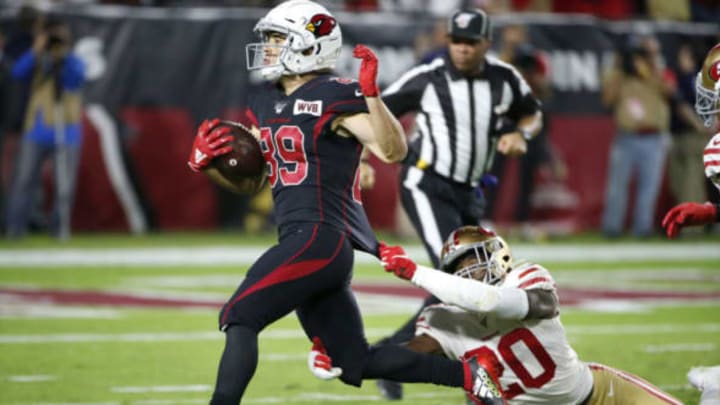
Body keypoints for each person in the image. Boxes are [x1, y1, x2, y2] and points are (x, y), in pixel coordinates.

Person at [186, 2, 504, 404]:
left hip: (318, 238)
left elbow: (392, 150)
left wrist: (372, 96)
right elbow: (255, 181)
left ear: (307, 45)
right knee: (354, 359)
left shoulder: (336, 96)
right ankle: (472, 375)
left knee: (240, 315)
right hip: (311, 243)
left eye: (278, 39)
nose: (268, 48)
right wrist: (208, 166)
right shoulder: (266, 102)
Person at [375, 8, 543, 399]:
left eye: (470, 42)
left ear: (487, 43)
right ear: (446, 41)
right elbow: (378, 112)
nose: (463, 50)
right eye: (456, 41)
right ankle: (451, 368)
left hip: (469, 191)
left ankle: (395, 356)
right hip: (427, 183)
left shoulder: (504, 78)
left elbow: (532, 114)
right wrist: (367, 157)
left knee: (480, 278)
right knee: (459, 279)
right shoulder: (427, 78)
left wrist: (522, 133)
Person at [370, 225, 683, 404]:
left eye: (472, 260)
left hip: (599, 396)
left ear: (497, 254)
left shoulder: (526, 278)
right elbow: (405, 359)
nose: (468, 272)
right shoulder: (442, 318)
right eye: (458, 269)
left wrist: (415, 272)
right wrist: (353, 358)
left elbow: (492, 302)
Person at [5, 16, 86, 240]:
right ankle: (15, 230)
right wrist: (37, 48)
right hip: (37, 129)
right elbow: (17, 73)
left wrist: (65, 52)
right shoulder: (39, 60)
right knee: (24, 182)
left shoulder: (73, 60)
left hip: (67, 130)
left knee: (65, 185)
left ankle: (60, 230)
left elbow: (77, 78)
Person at [600, 34, 674, 238]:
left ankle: (642, 229)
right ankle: (611, 229)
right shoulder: (618, 75)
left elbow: (670, 92)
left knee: (649, 187)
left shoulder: (658, 72)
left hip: (654, 137)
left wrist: (649, 67)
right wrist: (621, 69)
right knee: (617, 186)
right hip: (627, 136)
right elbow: (607, 100)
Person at [662, 43, 720, 239]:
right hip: (679, 135)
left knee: (692, 183)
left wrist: (701, 127)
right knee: (680, 183)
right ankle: (687, 226)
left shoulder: (696, 80)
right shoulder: (683, 79)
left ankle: (694, 231)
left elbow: (687, 109)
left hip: (694, 137)